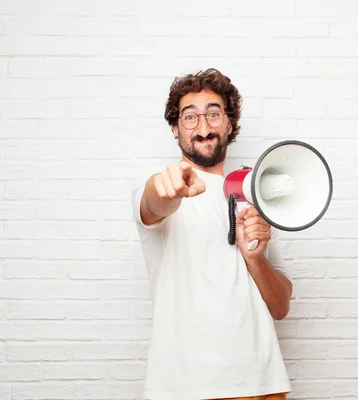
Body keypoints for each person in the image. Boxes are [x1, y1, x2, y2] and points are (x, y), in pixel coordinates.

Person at [131, 68, 293, 400]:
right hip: (189, 387)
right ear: (175, 128)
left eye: (214, 114)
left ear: (230, 124)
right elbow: (153, 202)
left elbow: (280, 307)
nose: (203, 128)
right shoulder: (164, 180)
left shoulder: (255, 195)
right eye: (190, 118)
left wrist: (255, 258)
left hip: (265, 384)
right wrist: (166, 191)